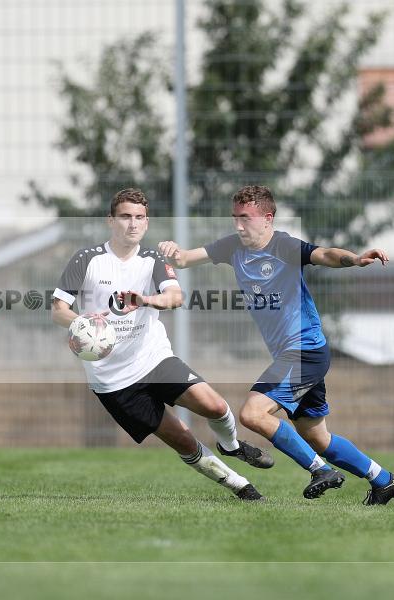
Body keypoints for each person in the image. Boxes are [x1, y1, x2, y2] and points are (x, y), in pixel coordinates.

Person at [158, 185, 394, 505]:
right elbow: (187, 259)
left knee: (252, 413)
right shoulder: (233, 247)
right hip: (295, 355)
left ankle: (319, 471)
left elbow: (324, 254)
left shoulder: (283, 245)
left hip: (304, 351)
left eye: (245, 218)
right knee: (318, 438)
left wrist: (355, 259)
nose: (238, 225)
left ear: (268, 218)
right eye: (235, 218)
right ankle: (384, 480)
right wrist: (171, 251)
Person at [51, 188, 272, 502]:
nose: (132, 224)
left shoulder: (151, 259)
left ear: (147, 222)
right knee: (183, 440)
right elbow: (58, 308)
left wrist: (145, 300)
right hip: (112, 381)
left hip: (152, 359)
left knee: (215, 406)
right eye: (125, 217)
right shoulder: (87, 260)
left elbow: (175, 297)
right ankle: (241, 487)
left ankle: (232, 445)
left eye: (139, 218)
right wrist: (81, 324)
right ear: (110, 220)